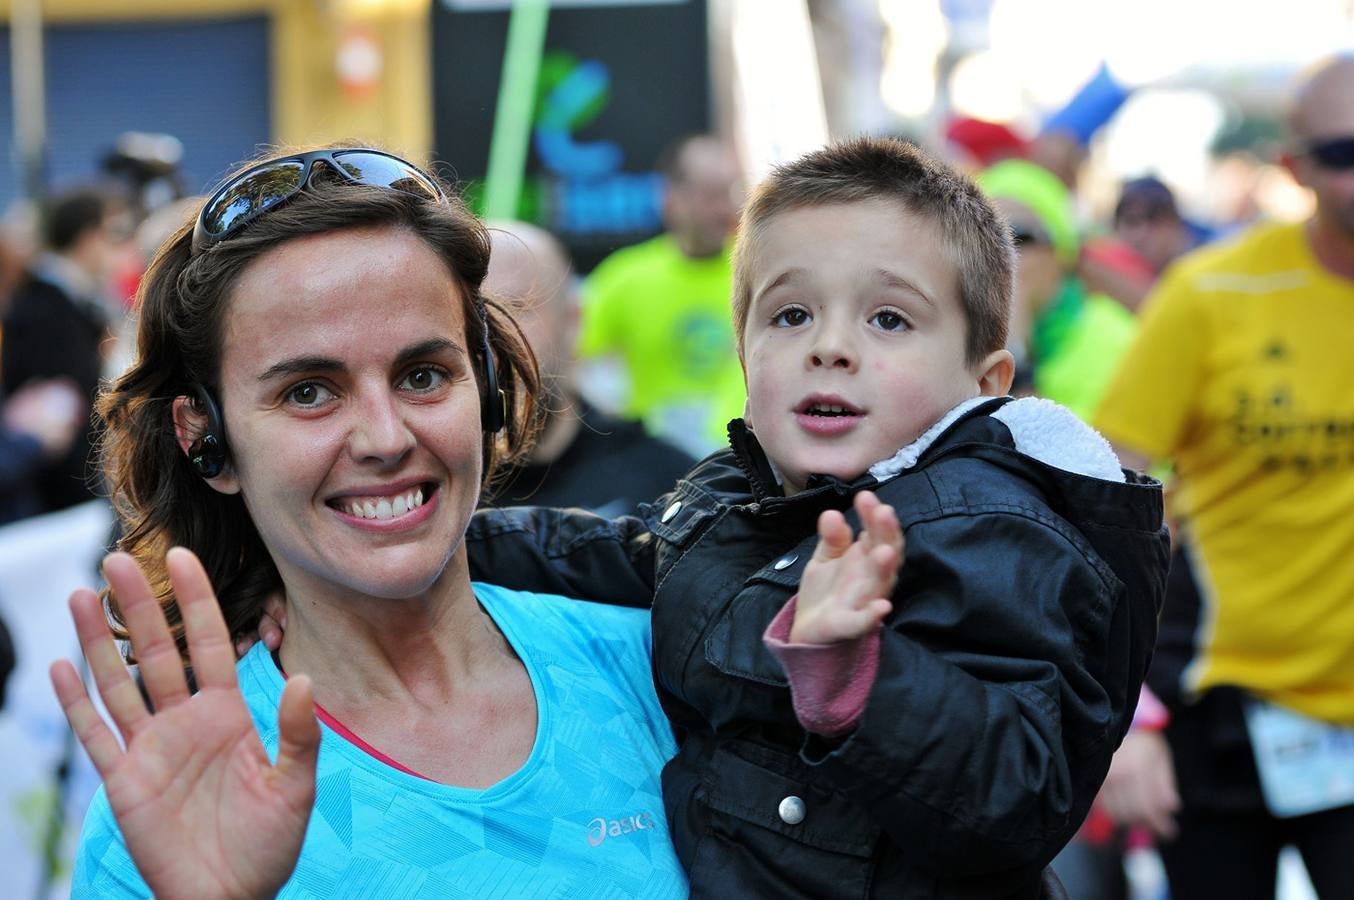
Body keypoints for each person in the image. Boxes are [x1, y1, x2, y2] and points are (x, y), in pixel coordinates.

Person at [460, 137, 1168, 897]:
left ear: (984, 383)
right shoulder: (733, 498)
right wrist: (453, 540)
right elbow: (617, 553)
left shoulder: (990, 528)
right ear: (745, 355)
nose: (830, 347)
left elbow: (1019, 798)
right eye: (791, 315)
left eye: (889, 320)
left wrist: (860, 677)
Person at [48, 145, 690, 897]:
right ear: (206, 440)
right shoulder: (179, 809)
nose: (386, 438)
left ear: (483, 390)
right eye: (310, 392)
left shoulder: (659, 668)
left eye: (423, 376)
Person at [1094, 56, 1354, 899]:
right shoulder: (1214, 293)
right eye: (1346, 151)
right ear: (1296, 167)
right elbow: (1102, 500)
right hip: (1219, 700)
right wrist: (1129, 717)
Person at [482, 221, 694, 515]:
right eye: (477, 313)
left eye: (516, 308)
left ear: (572, 320)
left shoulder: (668, 484)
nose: (494, 335)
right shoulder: (437, 498)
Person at [577, 134, 745, 458]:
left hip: (744, 462)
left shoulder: (758, 273)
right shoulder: (624, 277)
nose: (726, 207)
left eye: (732, 191)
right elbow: (577, 365)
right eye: (711, 194)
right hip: (655, 465)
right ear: (673, 197)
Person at [977, 159, 1137, 421]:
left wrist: (1014, 354)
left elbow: (1079, 459)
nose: (1000, 256)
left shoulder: (1118, 343)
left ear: (1062, 253)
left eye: (1019, 237)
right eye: (984, 236)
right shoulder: (956, 335)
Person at [2, 187, 127, 513]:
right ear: (87, 239)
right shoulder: (47, 309)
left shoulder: (76, 302)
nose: (119, 248)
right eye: (112, 233)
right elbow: (64, 408)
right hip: (54, 503)